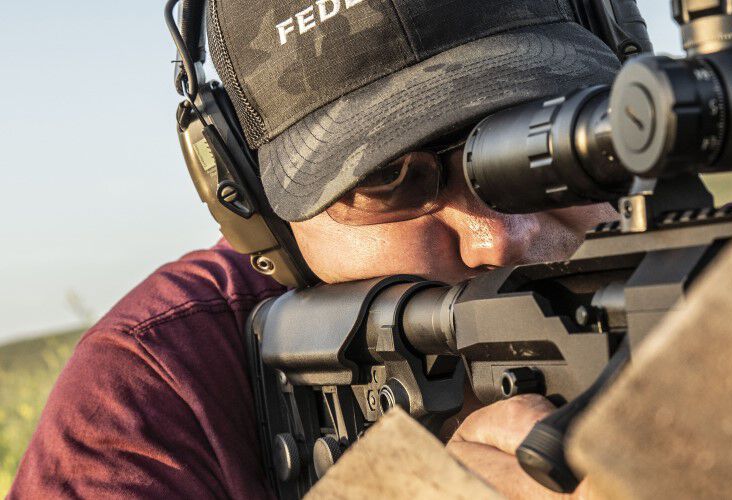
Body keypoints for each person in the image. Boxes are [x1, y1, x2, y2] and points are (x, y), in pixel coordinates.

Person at [12, 0, 624, 497]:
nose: (500, 238)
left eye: (544, 138)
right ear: (256, 213)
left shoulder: (695, 281)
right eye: (389, 179)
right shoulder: (158, 383)